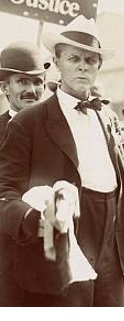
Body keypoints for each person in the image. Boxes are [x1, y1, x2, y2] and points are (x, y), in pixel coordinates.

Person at [0, 15, 124, 306]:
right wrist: (33, 218)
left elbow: (122, 186)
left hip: (111, 245)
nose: (82, 66)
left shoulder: (108, 118)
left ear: (98, 66)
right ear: (57, 62)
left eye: (91, 60)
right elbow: (5, 191)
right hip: (63, 241)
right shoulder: (28, 121)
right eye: (74, 58)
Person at [0, 41, 50, 306]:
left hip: (51, 257)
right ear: (4, 87)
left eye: (38, 82)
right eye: (22, 82)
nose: (32, 90)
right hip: (6, 257)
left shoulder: (57, 130)